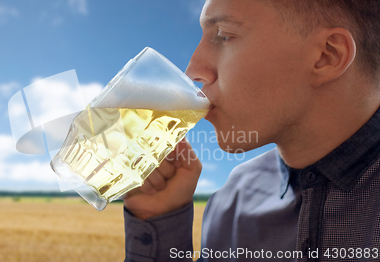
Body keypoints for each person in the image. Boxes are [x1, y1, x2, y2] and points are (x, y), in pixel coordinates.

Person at [123, 0, 380, 261]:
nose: (193, 70)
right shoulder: (231, 200)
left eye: (224, 36)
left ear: (327, 55)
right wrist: (158, 221)